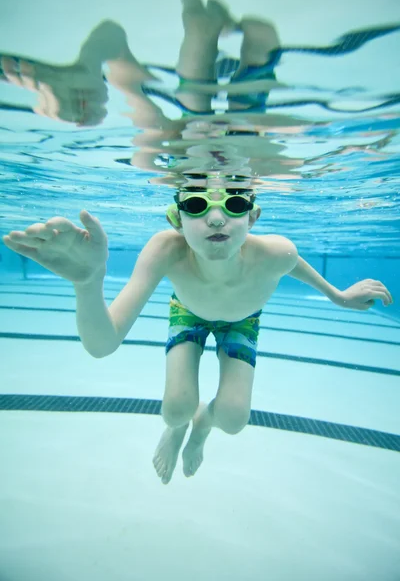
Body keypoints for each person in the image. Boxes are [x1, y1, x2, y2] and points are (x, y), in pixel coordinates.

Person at [2, 183, 393, 484]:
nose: (218, 218)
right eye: (196, 204)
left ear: (252, 217)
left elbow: (304, 272)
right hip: (188, 314)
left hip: (242, 320)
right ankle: (176, 430)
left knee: (235, 419)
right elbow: (103, 344)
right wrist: (88, 282)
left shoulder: (278, 253)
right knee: (175, 409)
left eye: (235, 204)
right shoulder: (166, 249)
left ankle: (201, 428)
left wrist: (340, 297)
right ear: (177, 219)